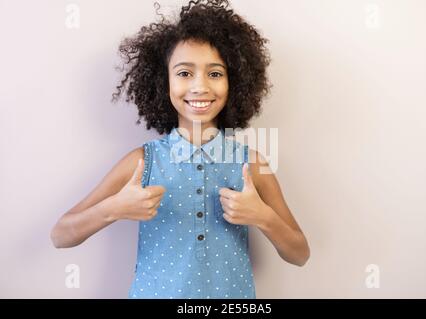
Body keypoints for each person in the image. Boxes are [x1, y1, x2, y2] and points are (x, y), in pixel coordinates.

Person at [51, 0, 310, 299]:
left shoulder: (251, 163)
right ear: (164, 82)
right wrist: (113, 209)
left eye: (215, 73)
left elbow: (299, 254)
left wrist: (262, 216)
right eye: (184, 73)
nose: (199, 87)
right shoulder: (141, 162)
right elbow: (60, 236)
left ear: (234, 81)